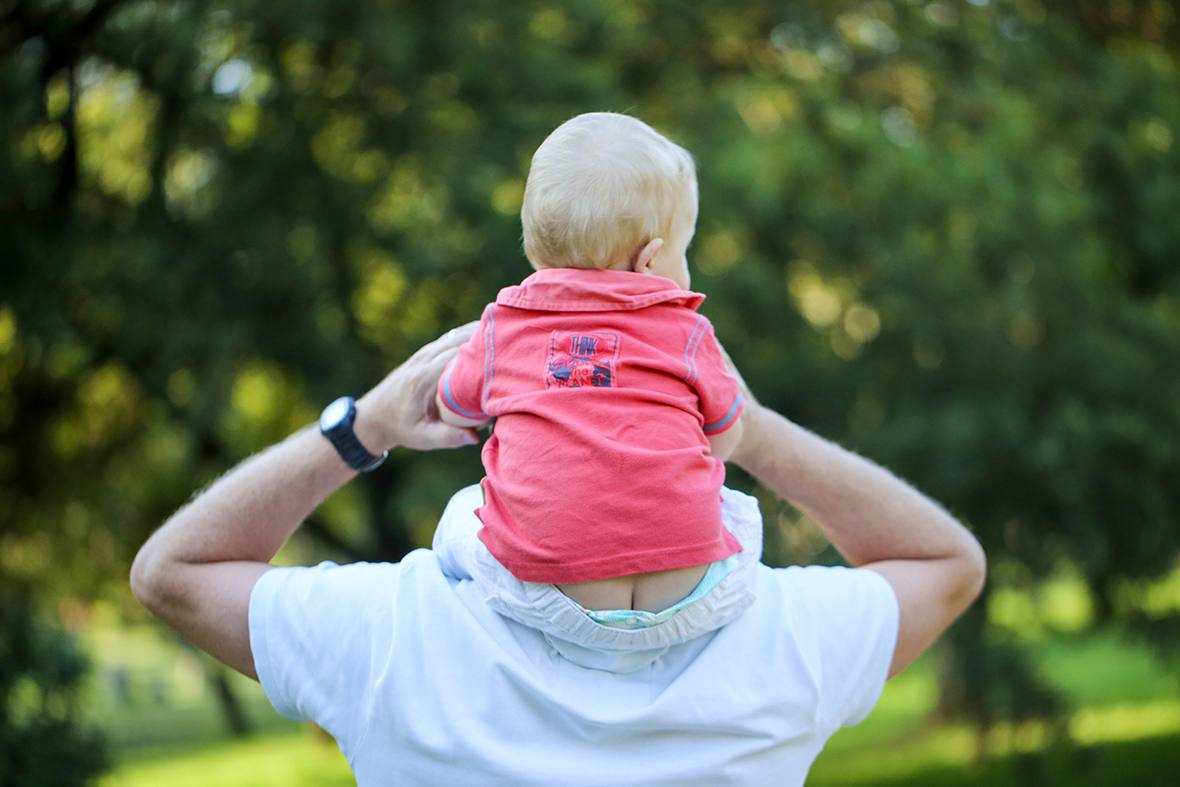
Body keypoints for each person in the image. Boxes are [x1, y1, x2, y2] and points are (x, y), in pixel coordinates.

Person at [131, 323, 986, 785]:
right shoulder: (786, 644)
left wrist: (367, 427)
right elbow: (946, 564)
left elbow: (172, 574)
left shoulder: (395, 638)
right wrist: (753, 432)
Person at [432, 113, 750, 621]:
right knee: (735, 507)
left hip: (548, 594)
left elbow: (451, 406)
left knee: (462, 513)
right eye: (684, 252)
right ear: (650, 261)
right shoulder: (688, 330)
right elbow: (727, 439)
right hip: (690, 590)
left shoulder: (503, 325)